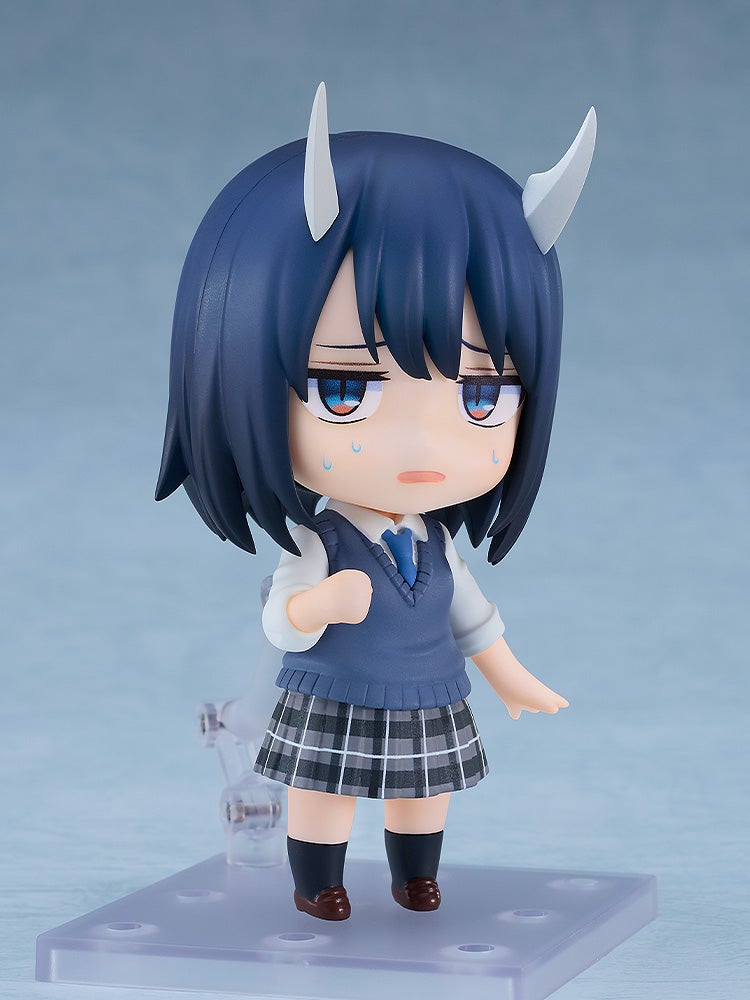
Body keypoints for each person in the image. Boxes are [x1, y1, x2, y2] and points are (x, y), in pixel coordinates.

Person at [157, 84, 596, 920]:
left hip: (427, 690)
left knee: (423, 793)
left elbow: (472, 616)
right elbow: (282, 621)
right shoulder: (318, 540)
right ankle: (317, 882)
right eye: (346, 388)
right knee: (323, 793)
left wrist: (511, 677)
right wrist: (320, 604)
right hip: (333, 692)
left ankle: (414, 875)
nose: (424, 446)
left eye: (480, 396)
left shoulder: (436, 544)